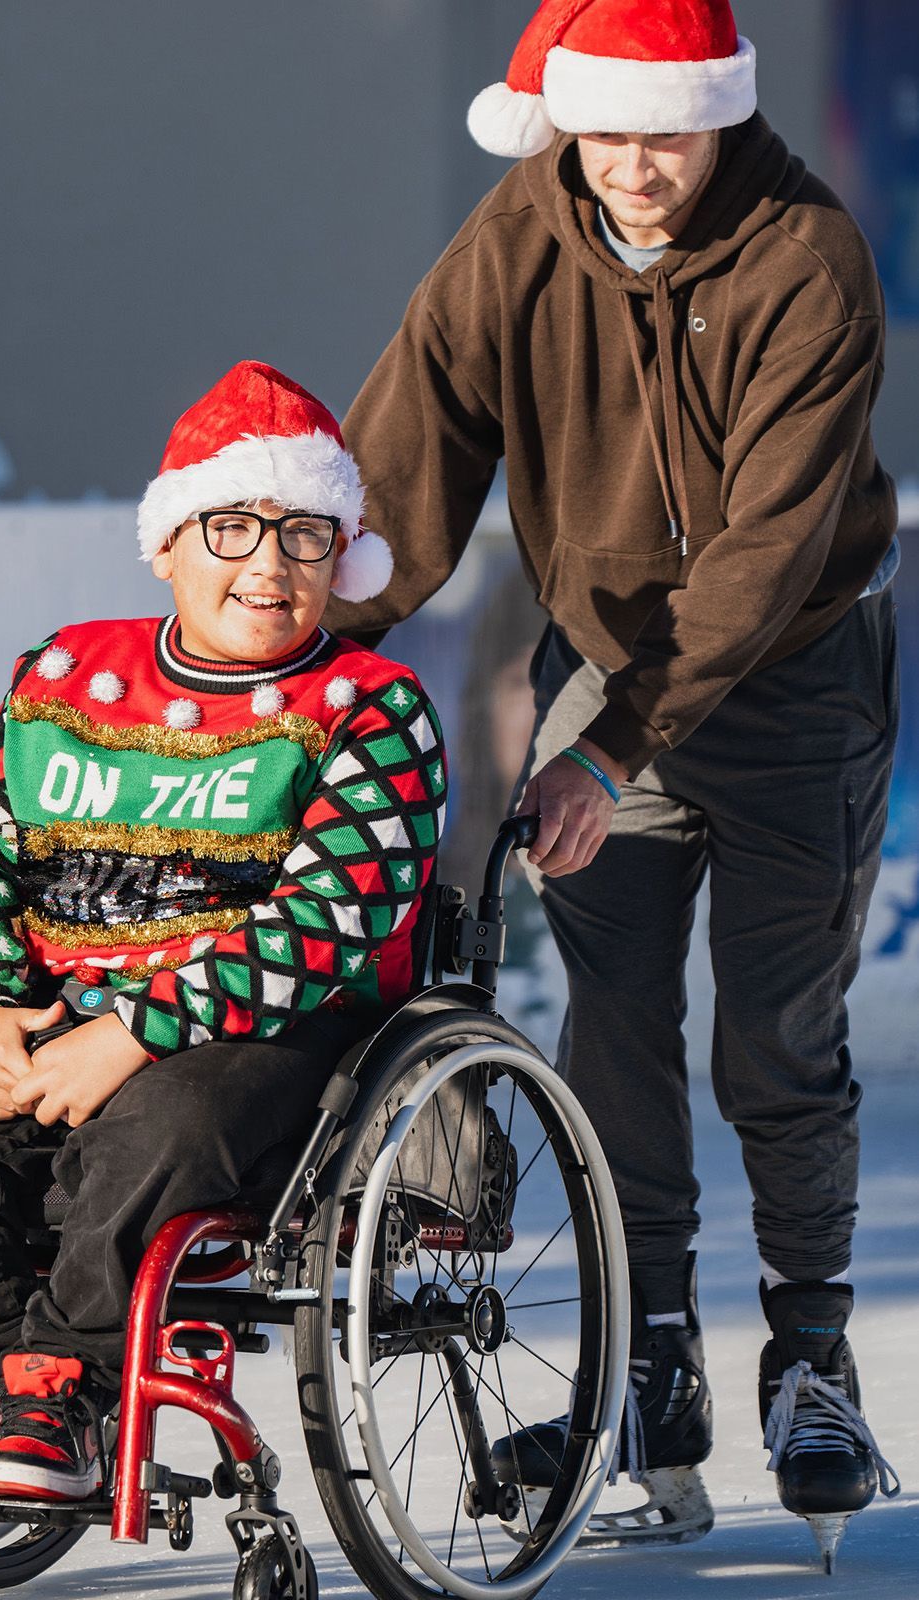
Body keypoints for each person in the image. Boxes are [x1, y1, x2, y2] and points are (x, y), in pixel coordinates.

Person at [325, 0, 900, 1564]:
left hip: (793, 679)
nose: (637, 167)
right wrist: (303, 648)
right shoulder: (514, 240)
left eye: (670, 131)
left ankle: (810, 1359)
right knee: (615, 1033)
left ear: (720, 117)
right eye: (611, 131)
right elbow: (407, 453)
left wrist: (600, 745)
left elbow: (765, 559)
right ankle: (647, 1367)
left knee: (777, 1039)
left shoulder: (805, 256)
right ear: (565, 119)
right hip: (606, 671)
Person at [0, 360, 446, 1501]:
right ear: (166, 543)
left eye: (305, 536)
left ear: (340, 557)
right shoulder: (62, 674)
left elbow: (331, 920)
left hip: (257, 1025)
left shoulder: (371, 708)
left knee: (173, 1117)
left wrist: (132, 1033)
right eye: (230, 528)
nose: (268, 564)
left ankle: (63, 1386)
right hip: (51, 997)